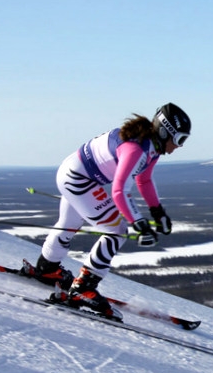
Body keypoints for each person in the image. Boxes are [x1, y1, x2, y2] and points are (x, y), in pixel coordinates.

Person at [23, 103, 191, 318]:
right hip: (79, 180)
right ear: (164, 131)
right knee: (118, 230)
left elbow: (144, 180)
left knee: (70, 224)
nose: (180, 146)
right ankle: (83, 289)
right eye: (179, 139)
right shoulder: (136, 148)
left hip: (74, 174)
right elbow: (119, 191)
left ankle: (47, 268)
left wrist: (157, 211)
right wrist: (137, 223)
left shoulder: (151, 147)